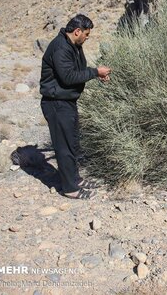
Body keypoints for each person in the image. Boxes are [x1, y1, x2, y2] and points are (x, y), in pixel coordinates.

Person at [39, 14, 111, 200]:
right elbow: (69, 77)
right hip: (56, 103)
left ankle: (74, 179)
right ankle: (70, 188)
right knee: (63, 146)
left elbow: (78, 70)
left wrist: (95, 74)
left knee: (71, 143)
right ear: (77, 31)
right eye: (86, 34)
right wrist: (95, 72)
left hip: (66, 102)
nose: (87, 37)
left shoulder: (74, 45)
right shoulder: (61, 48)